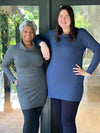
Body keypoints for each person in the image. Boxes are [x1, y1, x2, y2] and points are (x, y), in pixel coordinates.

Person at [35, 5, 100, 133]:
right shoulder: (52, 35)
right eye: (61, 16)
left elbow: (98, 49)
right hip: (54, 84)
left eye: (66, 16)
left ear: (71, 18)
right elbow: (36, 38)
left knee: (68, 122)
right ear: (57, 18)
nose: (63, 19)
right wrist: (42, 44)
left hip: (71, 86)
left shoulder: (81, 34)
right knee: (60, 120)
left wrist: (88, 71)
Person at [1, 20, 47, 133]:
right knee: (28, 119)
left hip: (40, 89)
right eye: (25, 31)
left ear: (34, 33)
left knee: (36, 120)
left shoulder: (39, 49)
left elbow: (45, 66)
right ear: (21, 32)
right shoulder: (13, 49)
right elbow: (4, 65)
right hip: (24, 90)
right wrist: (13, 80)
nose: (28, 34)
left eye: (31, 32)